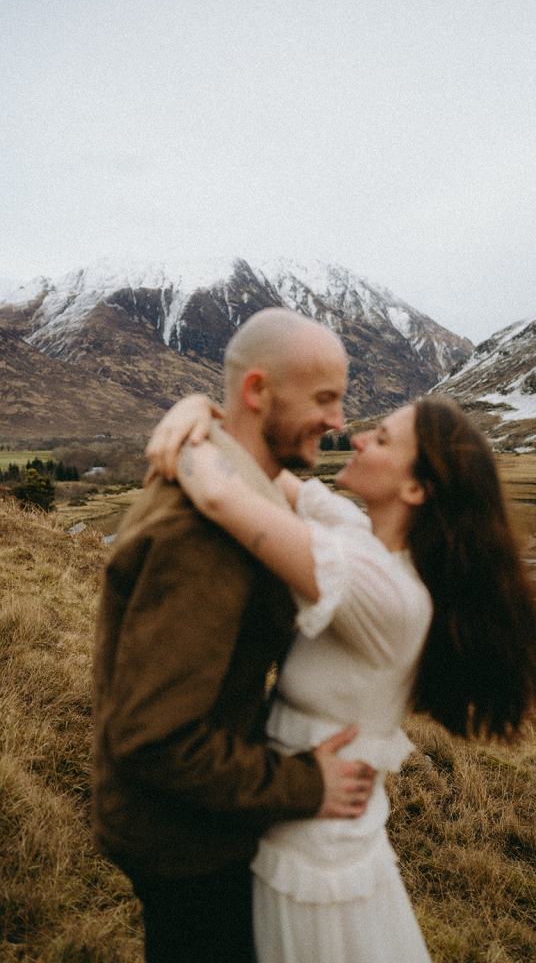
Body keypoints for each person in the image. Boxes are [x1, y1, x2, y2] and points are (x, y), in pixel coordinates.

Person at [146, 386, 536, 963]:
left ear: (414, 488)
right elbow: (275, 480)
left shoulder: (386, 592)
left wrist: (178, 423)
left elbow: (218, 493)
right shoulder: (364, 539)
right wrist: (200, 408)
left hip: (314, 858)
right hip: (305, 827)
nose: (358, 437)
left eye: (382, 438)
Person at [92, 308, 378, 963]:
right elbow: (156, 739)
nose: (340, 422)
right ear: (257, 392)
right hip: (184, 843)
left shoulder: (227, 475)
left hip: (190, 824)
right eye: (325, 398)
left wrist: (198, 409)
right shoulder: (204, 535)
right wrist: (308, 785)